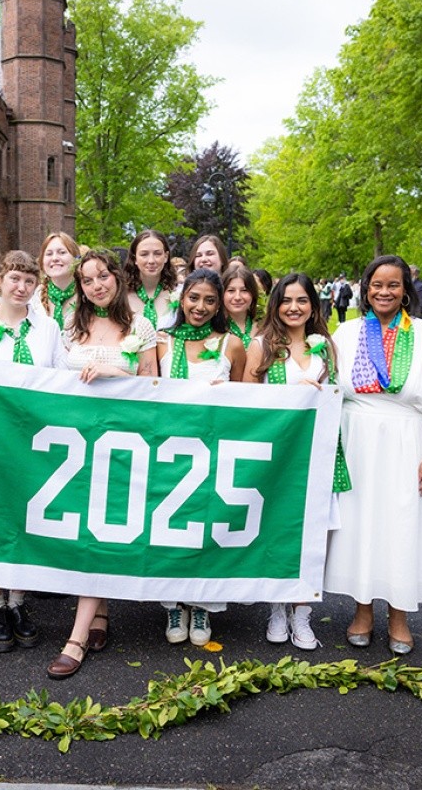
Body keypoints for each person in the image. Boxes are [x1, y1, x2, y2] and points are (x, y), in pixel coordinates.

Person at [325, 254, 422, 655]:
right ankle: (362, 610)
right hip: (357, 442)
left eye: (393, 285)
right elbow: (328, 386)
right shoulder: (346, 333)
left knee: (402, 524)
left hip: (406, 441)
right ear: (366, 289)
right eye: (377, 285)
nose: (384, 292)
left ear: (406, 291)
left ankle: (399, 616)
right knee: (361, 524)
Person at [47, 250, 158, 679]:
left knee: (101, 528)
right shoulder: (72, 325)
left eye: (103, 276)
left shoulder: (141, 326)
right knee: (82, 529)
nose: (97, 285)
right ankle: (100, 612)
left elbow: (155, 386)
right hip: (79, 441)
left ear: (117, 276)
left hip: (123, 439)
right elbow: (54, 381)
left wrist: (114, 374)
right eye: (88, 280)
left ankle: (75, 638)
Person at [0, 250, 69, 651]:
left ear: (35, 285)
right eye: (14, 280)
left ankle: (19, 601)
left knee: (28, 517)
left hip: (38, 438)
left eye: (29, 281)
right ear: (1, 282)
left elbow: (61, 374)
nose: (21, 288)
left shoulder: (47, 330)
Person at [244, 273, 345, 650]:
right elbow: (247, 405)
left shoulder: (327, 348)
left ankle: (302, 615)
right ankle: (275, 609)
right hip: (277, 459)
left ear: (313, 306)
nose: (294, 307)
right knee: (277, 532)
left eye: (302, 300)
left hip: (317, 457)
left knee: (313, 535)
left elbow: (339, 398)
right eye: (286, 300)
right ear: (275, 305)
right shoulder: (261, 347)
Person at [156, 269, 245, 646]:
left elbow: (248, 401)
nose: (201, 307)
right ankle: (174, 602)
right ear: (182, 297)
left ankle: (203, 602)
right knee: (171, 527)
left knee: (206, 528)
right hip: (170, 448)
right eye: (194, 298)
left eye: (210, 300)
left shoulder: (231, 345)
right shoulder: (163, 341)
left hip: (214, 448)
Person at [123, 229, 179, 330]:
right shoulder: (121, 296)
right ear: (135, 258)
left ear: (166, 256)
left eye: (157, 254)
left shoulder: (178, 293)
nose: (151, 261)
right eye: (144, 254)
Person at [37, 232, 80, 328]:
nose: (55, 258)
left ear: (76, 259)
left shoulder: (87, 295)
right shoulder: (34, 298)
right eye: (49, 254)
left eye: (62, 252)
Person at [221, 262, 260, 349]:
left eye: (244, 290)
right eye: (231, 290)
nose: (237, 297)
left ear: (253, 294)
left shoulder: (264, 327)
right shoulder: (214, 327)